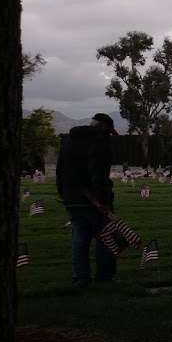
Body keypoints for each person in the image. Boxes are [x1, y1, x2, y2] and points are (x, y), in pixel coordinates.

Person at [56, 113, 117, 287]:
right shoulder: (100, 142)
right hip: (94, 200)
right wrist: (102, 201)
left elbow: (60, 170)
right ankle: (105, 277)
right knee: (106, 238)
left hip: (71, 197)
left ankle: (81, 278)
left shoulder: (67, 140)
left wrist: (63, 193)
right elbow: (97, 174)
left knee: (79, 239)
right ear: (104, 128)